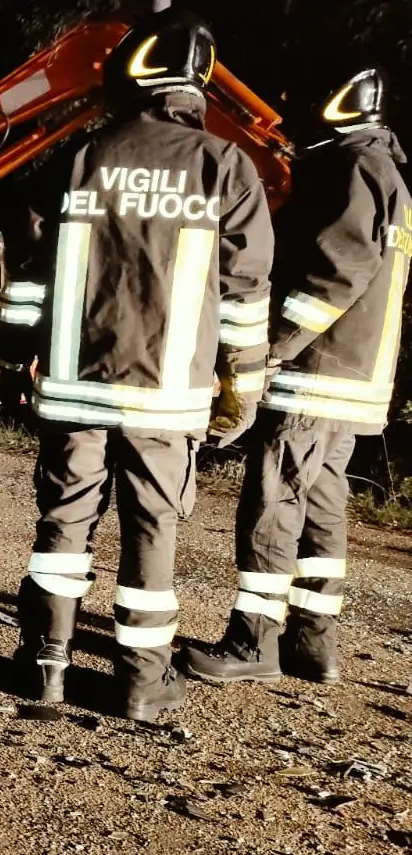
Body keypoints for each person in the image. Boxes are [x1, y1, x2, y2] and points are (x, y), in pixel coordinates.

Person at [0, 11, 274, 722]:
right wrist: (240, 382)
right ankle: (142, 682)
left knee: (64, 522)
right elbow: (246, 295)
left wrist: (13, 345)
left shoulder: (82, 157)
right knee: (153, 529)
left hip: (74, 383)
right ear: (200, 84)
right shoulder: (225, 167)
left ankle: (43, 664)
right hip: (166, 392)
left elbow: (29, 265)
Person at [183, 67, 410, 686]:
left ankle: (254, 641)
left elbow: (339, 270)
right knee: (321, 505)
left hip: (314, 374)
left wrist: (275, 344)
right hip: (354, 378)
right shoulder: (385, 173)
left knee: (274, 501)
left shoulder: (353, 170)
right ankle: (314, 643)